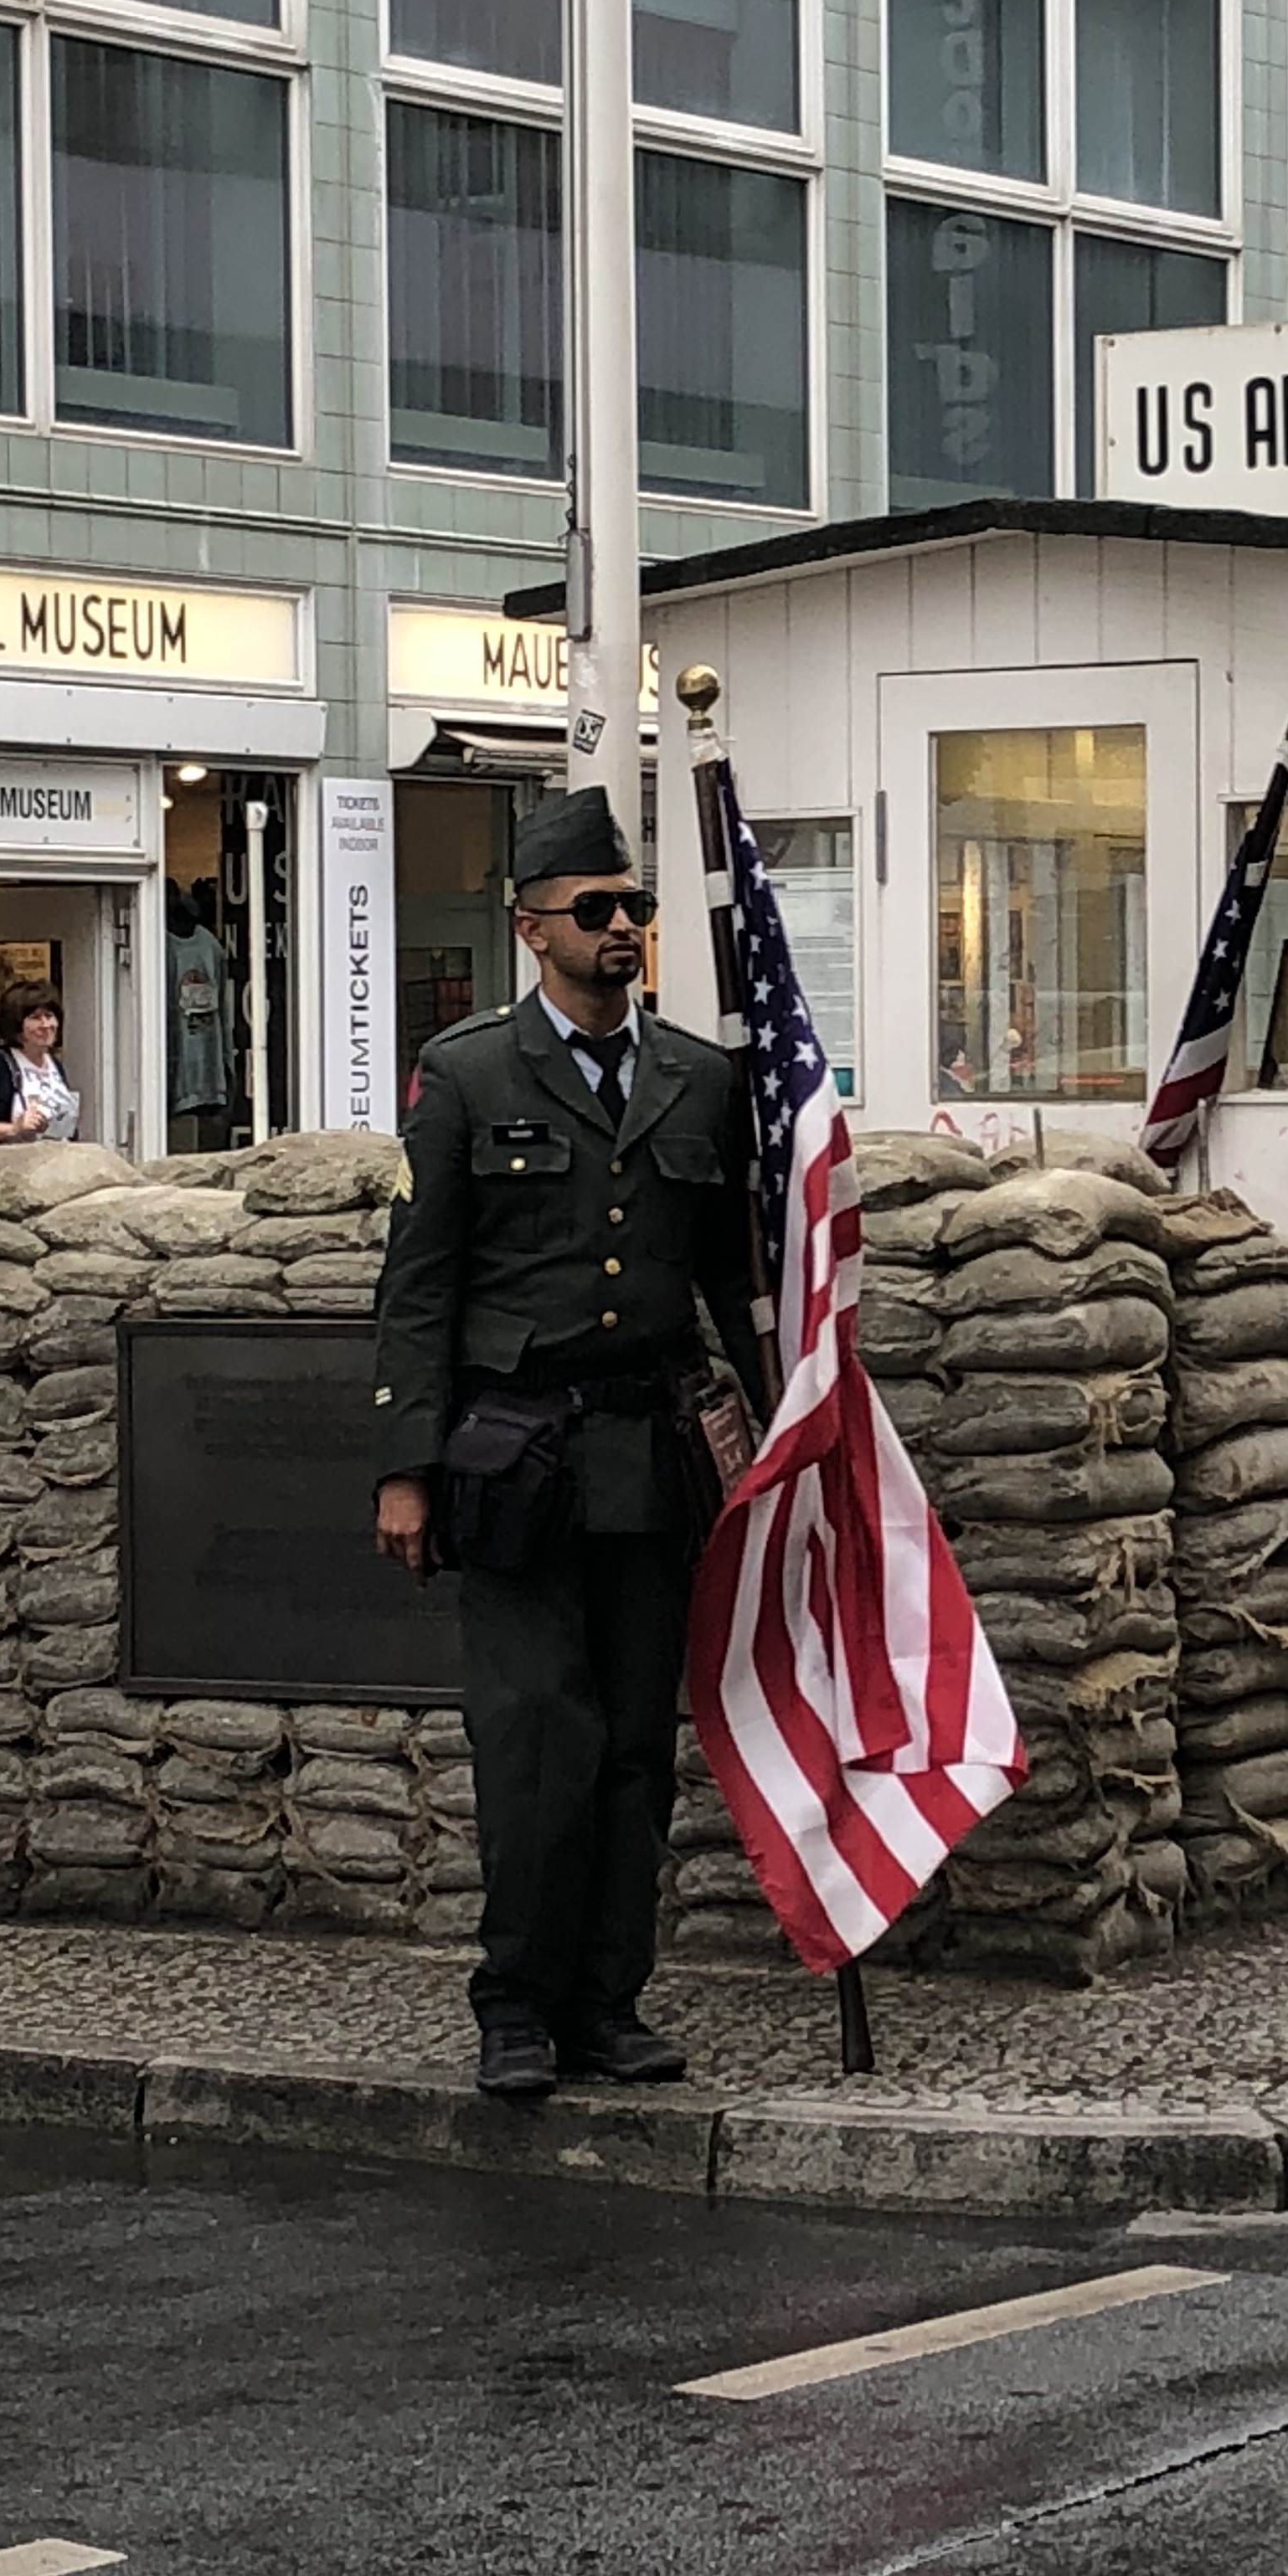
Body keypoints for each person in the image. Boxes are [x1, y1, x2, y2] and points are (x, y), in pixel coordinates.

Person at [372, 786, 764, 2102]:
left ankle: (609, 2002)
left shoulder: (699, 1077)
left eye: (634, 906)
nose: (622, 927)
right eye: (594, 909)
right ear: (531, 927)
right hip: (518, 1467)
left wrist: (791, 1431)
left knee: (637, 1748)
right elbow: (419, 1287)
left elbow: (734, 1283)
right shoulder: (469, 1074)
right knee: (538, 1741)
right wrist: (405, 1467)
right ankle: (517, 2007)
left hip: (649, 1460)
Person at [0, 980, 80, 1149]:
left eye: (49, 1016)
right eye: (35, 1018)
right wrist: (14, 1128)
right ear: (15, 1025)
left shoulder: (55, 1066)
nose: (46, 1025)